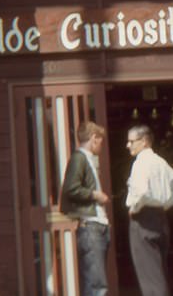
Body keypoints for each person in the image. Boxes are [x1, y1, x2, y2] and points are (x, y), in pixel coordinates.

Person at [125, 124, 173, 296]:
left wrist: (135, 207)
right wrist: (164, 204)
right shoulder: (161, 162)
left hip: (143, 219)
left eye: (131, 141)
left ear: (144, 141)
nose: (128, 145)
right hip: (160, 217)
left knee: (149, 275)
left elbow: (143, 191)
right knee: (159, 270)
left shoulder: (140, 163)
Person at [60, 121, 111, 296]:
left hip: (97, 224)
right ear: (94, 138)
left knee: (95, 281)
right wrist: (95, 195)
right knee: (96, 284)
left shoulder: (86, 159)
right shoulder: (79, 158)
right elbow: (71, 188)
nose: (101, 145)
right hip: (91, 225)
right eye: (100, 141)